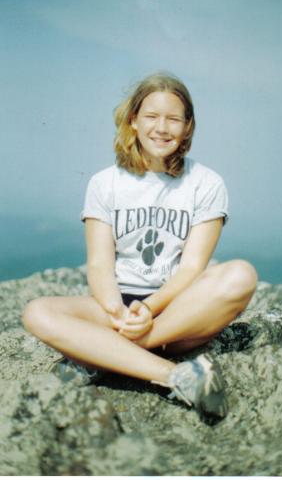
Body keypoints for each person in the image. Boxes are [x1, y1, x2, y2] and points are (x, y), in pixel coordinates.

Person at [23, 72, 257, 417]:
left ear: (188, 126)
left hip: (177, 312)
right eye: (151, 116)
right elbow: (101, 264)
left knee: (241, 275)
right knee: (37, 312)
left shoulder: (206, 183)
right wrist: (117, 311)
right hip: (116, 311)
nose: (162, 128)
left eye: (174, 119)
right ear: (133, 120)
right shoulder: (105, 183)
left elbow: (193, 267)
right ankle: (175, 375)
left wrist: (150, 310)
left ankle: (100, 356)